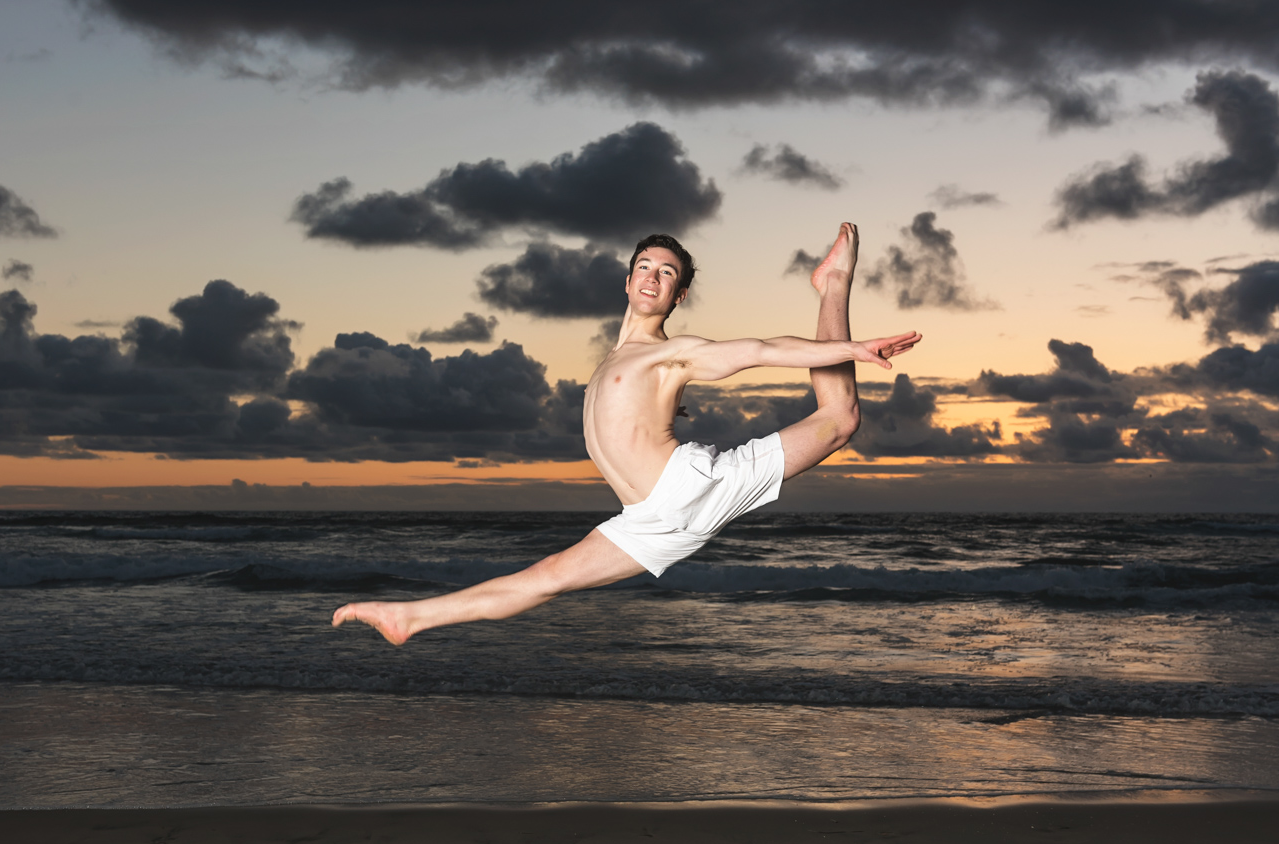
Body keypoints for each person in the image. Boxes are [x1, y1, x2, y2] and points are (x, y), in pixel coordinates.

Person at [333, 223, 921, 644]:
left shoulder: (672, 354)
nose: (653, 276)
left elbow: (762, 350)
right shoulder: (613, 363)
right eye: (645, 266)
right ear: (627, 279)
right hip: (647, 518)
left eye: (668, 273)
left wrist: (853, 348)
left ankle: (833, 284)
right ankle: (410, 618)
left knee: (839, 420)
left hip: (688, 491)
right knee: (541, 581)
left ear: (678, 294)